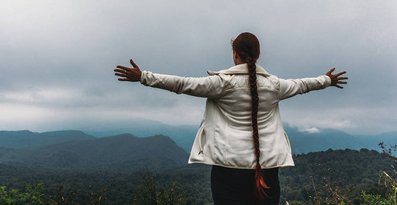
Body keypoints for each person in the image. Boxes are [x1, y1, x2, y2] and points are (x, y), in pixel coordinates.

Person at [114, 32, 348, 205]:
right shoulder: (275, 85)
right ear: (257, 55)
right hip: (266, 169)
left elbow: (182, 84)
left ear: (235, 55)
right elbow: (303, 85)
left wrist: (144, 76)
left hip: (228, 169)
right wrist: (326, 80)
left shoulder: (222, 84)